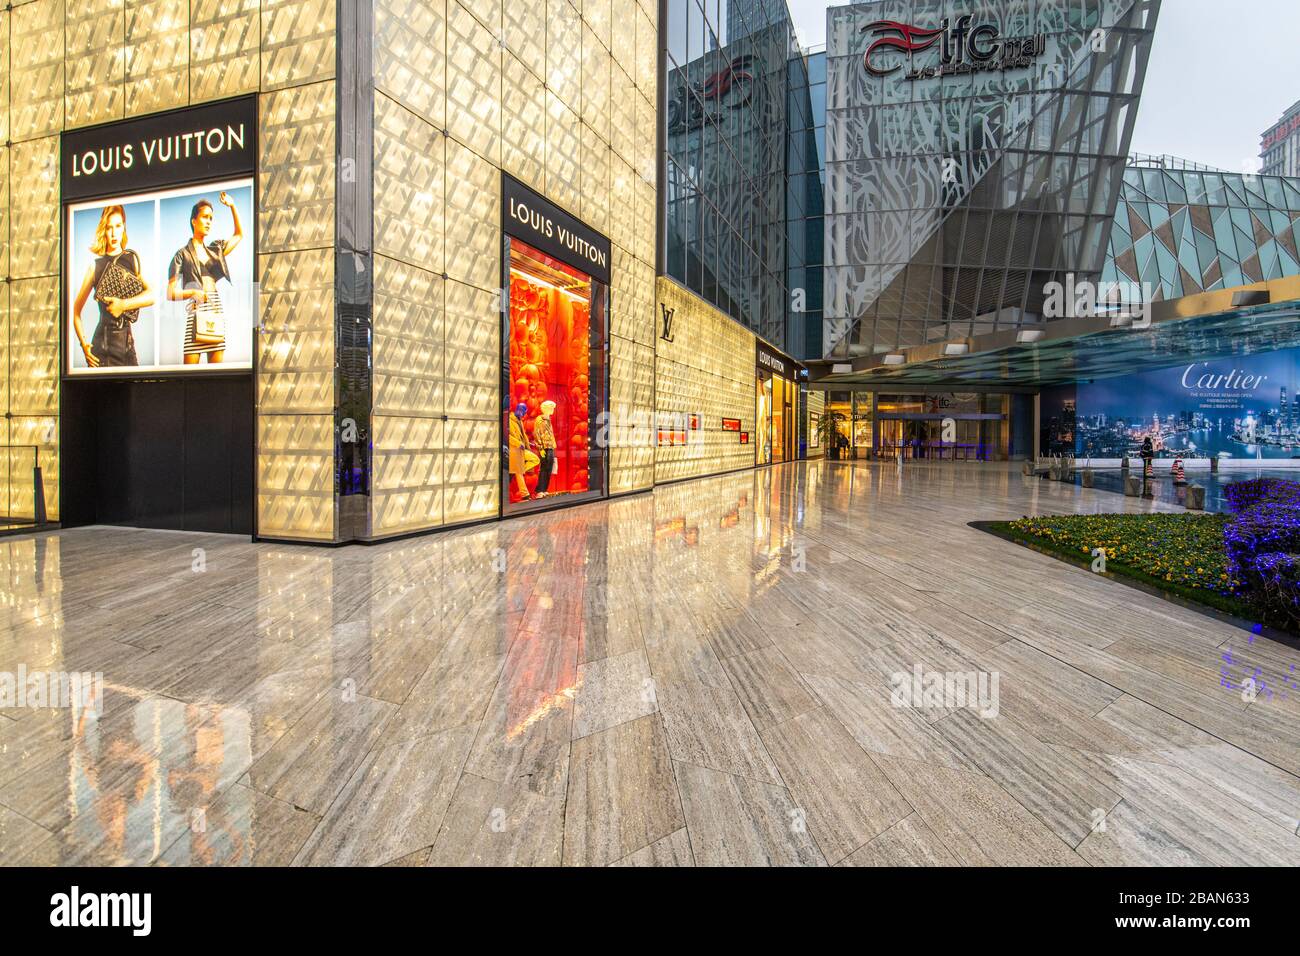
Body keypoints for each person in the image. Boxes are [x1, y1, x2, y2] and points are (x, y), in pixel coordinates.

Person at [71, 205, 154, 368]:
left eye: (117, 226)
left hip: (128, 348)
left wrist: (123, 305)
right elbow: (75, 312)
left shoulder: (131, 260)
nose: (114, 232)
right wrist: (84, 346)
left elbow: (152, 295)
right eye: (109, 227)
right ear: (104, 230)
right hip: (103, 349)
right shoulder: (95, 267)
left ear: (123, 226)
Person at [167, 192, 243, 365]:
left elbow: (239, 235)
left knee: (216, 375)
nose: (209, 221)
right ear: (194, 221)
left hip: (215, 310)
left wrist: (232, 206)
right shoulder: (182, 254)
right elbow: (170, 293)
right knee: (190, 375)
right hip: (196, 312)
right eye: (205, 217)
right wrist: (193, 292)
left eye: (211, 218)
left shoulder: (216, 249)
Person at [507, 403, 538, 501]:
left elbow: (523, 436)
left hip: (521, 449)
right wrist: (517, 443)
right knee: (519, 471)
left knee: (535, 459)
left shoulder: (519, 420)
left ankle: (516, 471)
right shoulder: (509, 420)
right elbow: (506, 435)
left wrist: (529, 445)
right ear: (519, 410)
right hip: (513, 449)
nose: (523, 414)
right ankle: (525, 495)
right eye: (523, 412)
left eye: (524, 412)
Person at [534, 399, 558, 497]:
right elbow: (537, 434)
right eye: (551, 407)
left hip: (551, 447)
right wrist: (540, 448)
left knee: (549, 468)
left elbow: (550, 434)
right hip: (544, 447)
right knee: (543, 468)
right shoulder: (540, 419)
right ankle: (539, 490)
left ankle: (544, 489)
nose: (553, 409)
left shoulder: (548, 420)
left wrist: (553, 445)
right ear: (546, 408)